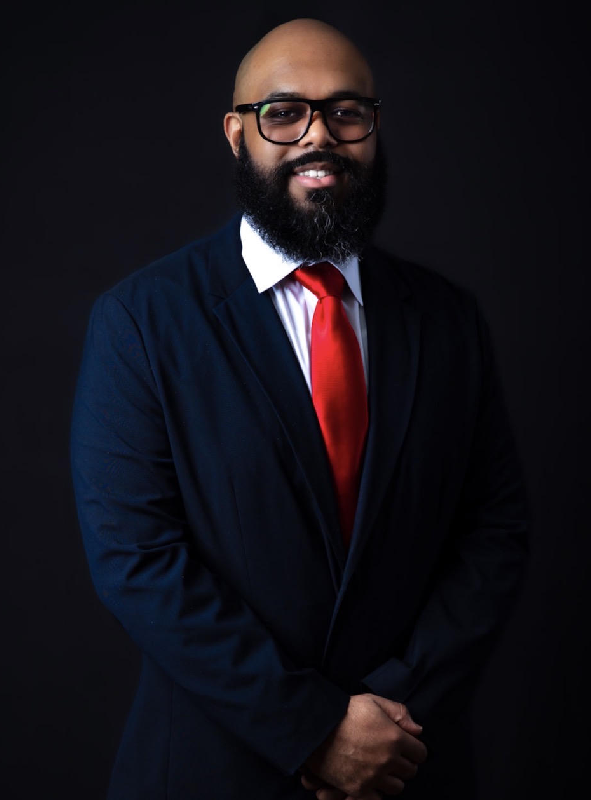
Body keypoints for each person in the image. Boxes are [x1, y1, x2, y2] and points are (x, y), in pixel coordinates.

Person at [70, 17, 528, 800]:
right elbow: (136, 557)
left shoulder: (447, 318)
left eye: (347, 112)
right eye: (284, 113)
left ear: (374, 129)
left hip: (410, 766)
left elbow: (493, 531)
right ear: (236, 134)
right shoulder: (142, 322)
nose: (320, 136)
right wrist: (312, 728)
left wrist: (391, 715)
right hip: (212, 771)